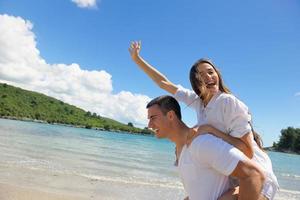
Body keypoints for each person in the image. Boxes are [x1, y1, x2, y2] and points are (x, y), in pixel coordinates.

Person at [129, 41, 279, 200]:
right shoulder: (198, 101)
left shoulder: (228, 102)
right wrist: (137, 59)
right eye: (201, 75)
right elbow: (163, 83)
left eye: (211, 72)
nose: (208, 77)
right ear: (195, 81)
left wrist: (211, 131)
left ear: (218, 75)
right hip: (233, 174)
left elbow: (247, 151)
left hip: (258, 175)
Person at [146, 95, 265, 200]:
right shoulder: (179, 151)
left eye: (153, 118)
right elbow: (201, 189)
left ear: (171, 115)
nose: (149, 125)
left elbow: (254, 175)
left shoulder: (201, 143)